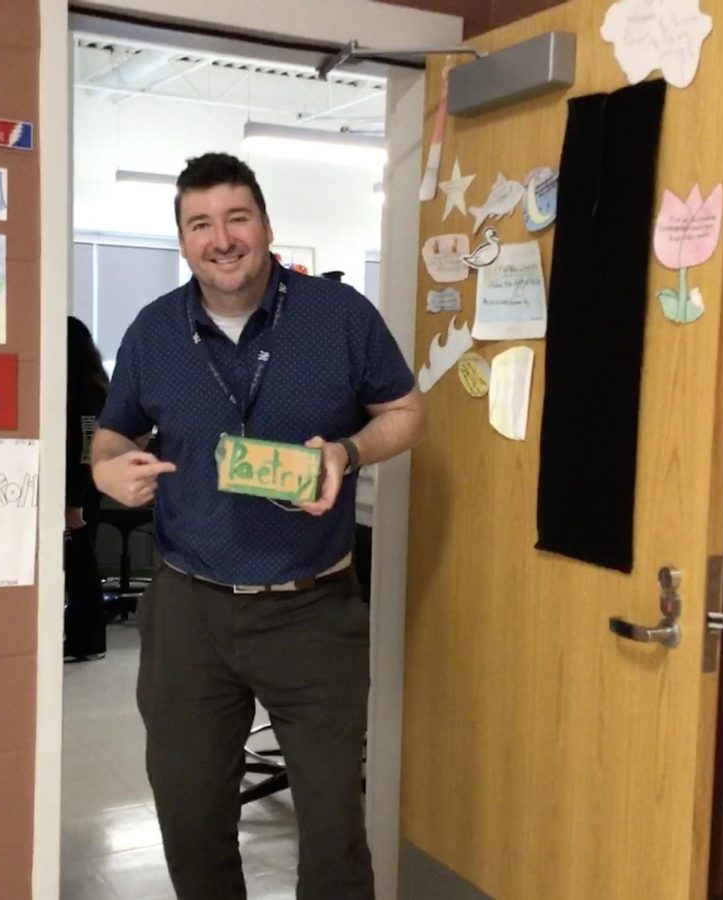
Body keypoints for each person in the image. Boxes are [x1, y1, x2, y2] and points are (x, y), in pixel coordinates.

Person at [91, 152, 425, 899]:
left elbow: (407, 412)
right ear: (182, 241)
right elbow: (111, 439)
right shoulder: (153, 331)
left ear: (267, 225)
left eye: (237, 217)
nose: (222, 238)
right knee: (191, 817)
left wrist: (349, 450)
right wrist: (108, 469)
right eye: (200, 223)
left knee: (336, 830)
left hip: (313, 608)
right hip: (190, 609)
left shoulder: (339, 318)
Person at [64, 316, 109, 661]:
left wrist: (74, 501)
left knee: (82, 563)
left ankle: (87, 639)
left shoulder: (89, 392)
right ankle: (80, 635)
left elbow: (85, 447)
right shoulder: (82, 385)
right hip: (78, 487)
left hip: (81, 488)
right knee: (79, 562)